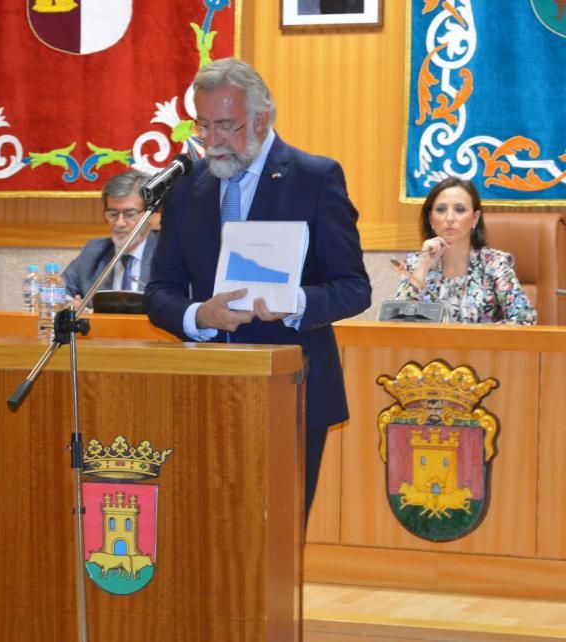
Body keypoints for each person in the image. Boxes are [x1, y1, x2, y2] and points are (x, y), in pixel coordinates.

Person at [145, 57, 371, 519]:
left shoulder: (315, 177)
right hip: (204, 389)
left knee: (277, 534)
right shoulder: (187, 189)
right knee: (207, 529)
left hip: (291, 388)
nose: (212, 140)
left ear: (262, 119)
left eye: (225, 125)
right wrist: (198, 316)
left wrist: (296, 302)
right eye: (203, 125)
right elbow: (160, 292)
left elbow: (354, 287)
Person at [394, 176, 537, 325]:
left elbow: (525, 319)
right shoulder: (414, 263)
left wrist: (472, 339)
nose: (449, 218)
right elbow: (398, 325)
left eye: (459, 209)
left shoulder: (493, 264)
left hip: (482, 347)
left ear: (475, 219)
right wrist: (422, 267)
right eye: (441, 209)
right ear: (431, 219)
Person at [62, 169, 158, 303]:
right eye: (113, 214)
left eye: (129, 214)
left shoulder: (167, 254)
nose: (119, 223)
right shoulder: (94, 251)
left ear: (151, 216)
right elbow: (59, 291)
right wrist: (70, 305)